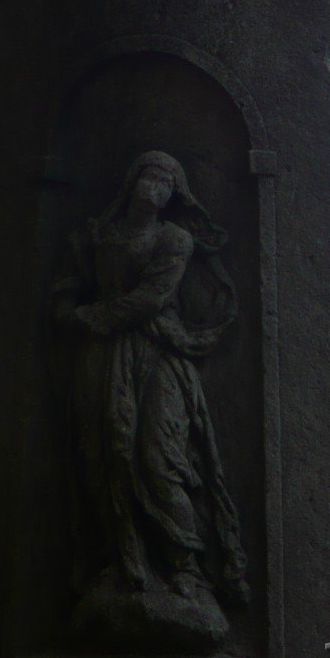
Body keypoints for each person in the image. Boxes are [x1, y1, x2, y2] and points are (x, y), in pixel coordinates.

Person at [52, 152, 248, 629]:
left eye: (167, 182)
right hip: (101, 358)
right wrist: (65, 310)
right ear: (132, 179)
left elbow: (151, 299)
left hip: (160, 352)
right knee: (102, 457)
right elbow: (68, 284)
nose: (156, 187)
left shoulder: (174, 239)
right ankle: (118, 565)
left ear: (175, 195)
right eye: (150, 175)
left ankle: (187, 571)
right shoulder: (97, 235)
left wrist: (92, 318)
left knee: (161, 460)